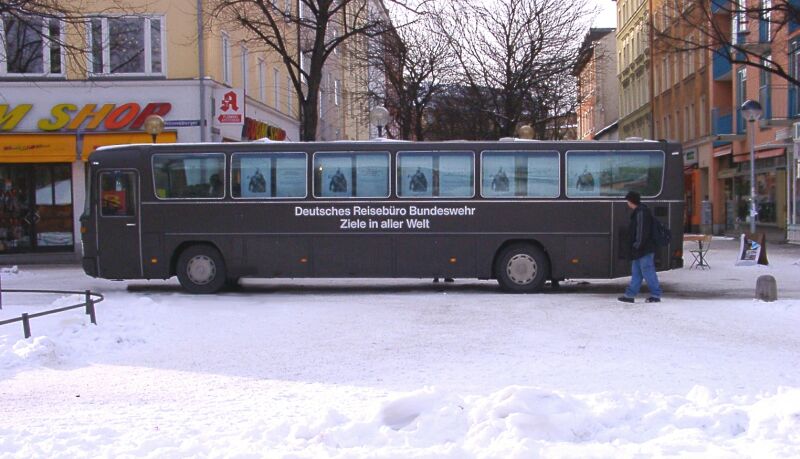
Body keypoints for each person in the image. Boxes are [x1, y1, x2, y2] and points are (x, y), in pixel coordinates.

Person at [618, 190, 662, 303]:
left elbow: (641, 232)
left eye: (628, 201)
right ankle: (630, 295)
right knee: (637, 272)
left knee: (647, 271)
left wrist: (637, 245)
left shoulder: (641, 213)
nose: (627, 203)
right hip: (641, 249)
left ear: (631, 201)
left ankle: (656, 295)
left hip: (643, 249)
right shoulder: (640, 211)